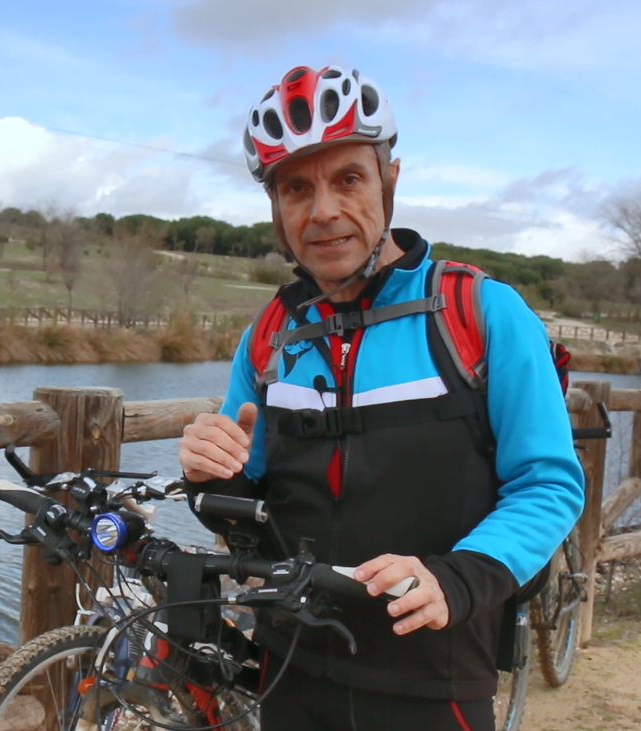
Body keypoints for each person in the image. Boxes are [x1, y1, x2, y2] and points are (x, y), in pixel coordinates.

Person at [178, 65, 585, 731]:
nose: (323, 211)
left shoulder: (478, 313)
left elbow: (547, 483)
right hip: (289, 669)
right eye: (296, 188)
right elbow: (242, 510)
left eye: (347, 179)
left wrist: (455, 578)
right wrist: (205, 473)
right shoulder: (269, 337)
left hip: (431, 680)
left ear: (388, 181)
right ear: (276, 210)